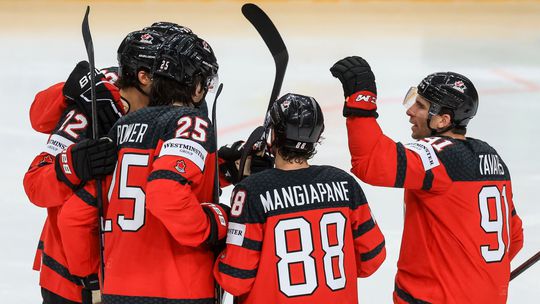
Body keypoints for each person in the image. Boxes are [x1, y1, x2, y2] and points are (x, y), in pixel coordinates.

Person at [330, 56, 524, 303]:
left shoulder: (441, 155)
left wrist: (361, 101)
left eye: (421, 106)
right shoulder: (493, 160)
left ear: (443, 120)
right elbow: (514, 236)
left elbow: (370, 163)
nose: (410, 111)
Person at [58, 30, 229, 304]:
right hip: (180, 290)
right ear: (196, 87)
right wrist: (214, 225)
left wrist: (93, 275)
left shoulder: (121, 128)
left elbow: (74, 216)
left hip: (117, 290)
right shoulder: (190, 123)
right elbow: (165, 191)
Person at [23, 25, 175, 304]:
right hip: (71, 281)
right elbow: (36, 183)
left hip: (132, 274)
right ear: (144, 76)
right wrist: (74, 164)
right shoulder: (96, 100)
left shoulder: (172, 107)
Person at [214, 93, 386, 304]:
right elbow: (372, 258)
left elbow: (234, 280)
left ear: (273, 135)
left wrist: (218, 240)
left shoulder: (252, 191)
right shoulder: (344, 183)